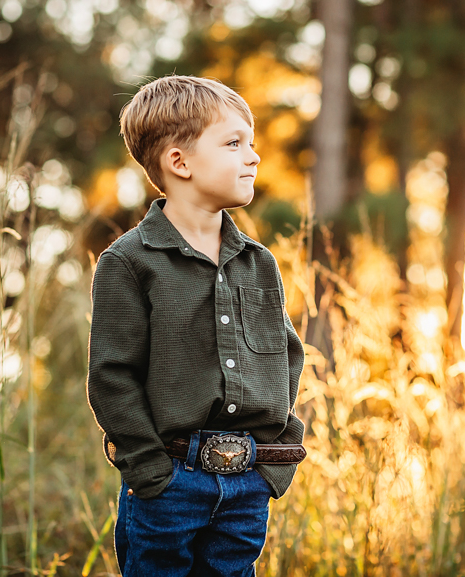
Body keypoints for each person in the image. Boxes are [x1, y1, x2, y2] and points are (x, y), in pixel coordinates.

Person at [86, 75, 307, 576]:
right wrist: (149, 470)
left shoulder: (258, 262)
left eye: (252, 143)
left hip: (248, 482)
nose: (253, 156)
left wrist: (273, 462)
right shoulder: (128, 262)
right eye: (234, 143)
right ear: (179, 162)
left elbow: (286, 357)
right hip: (169, 483)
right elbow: (112, 376)